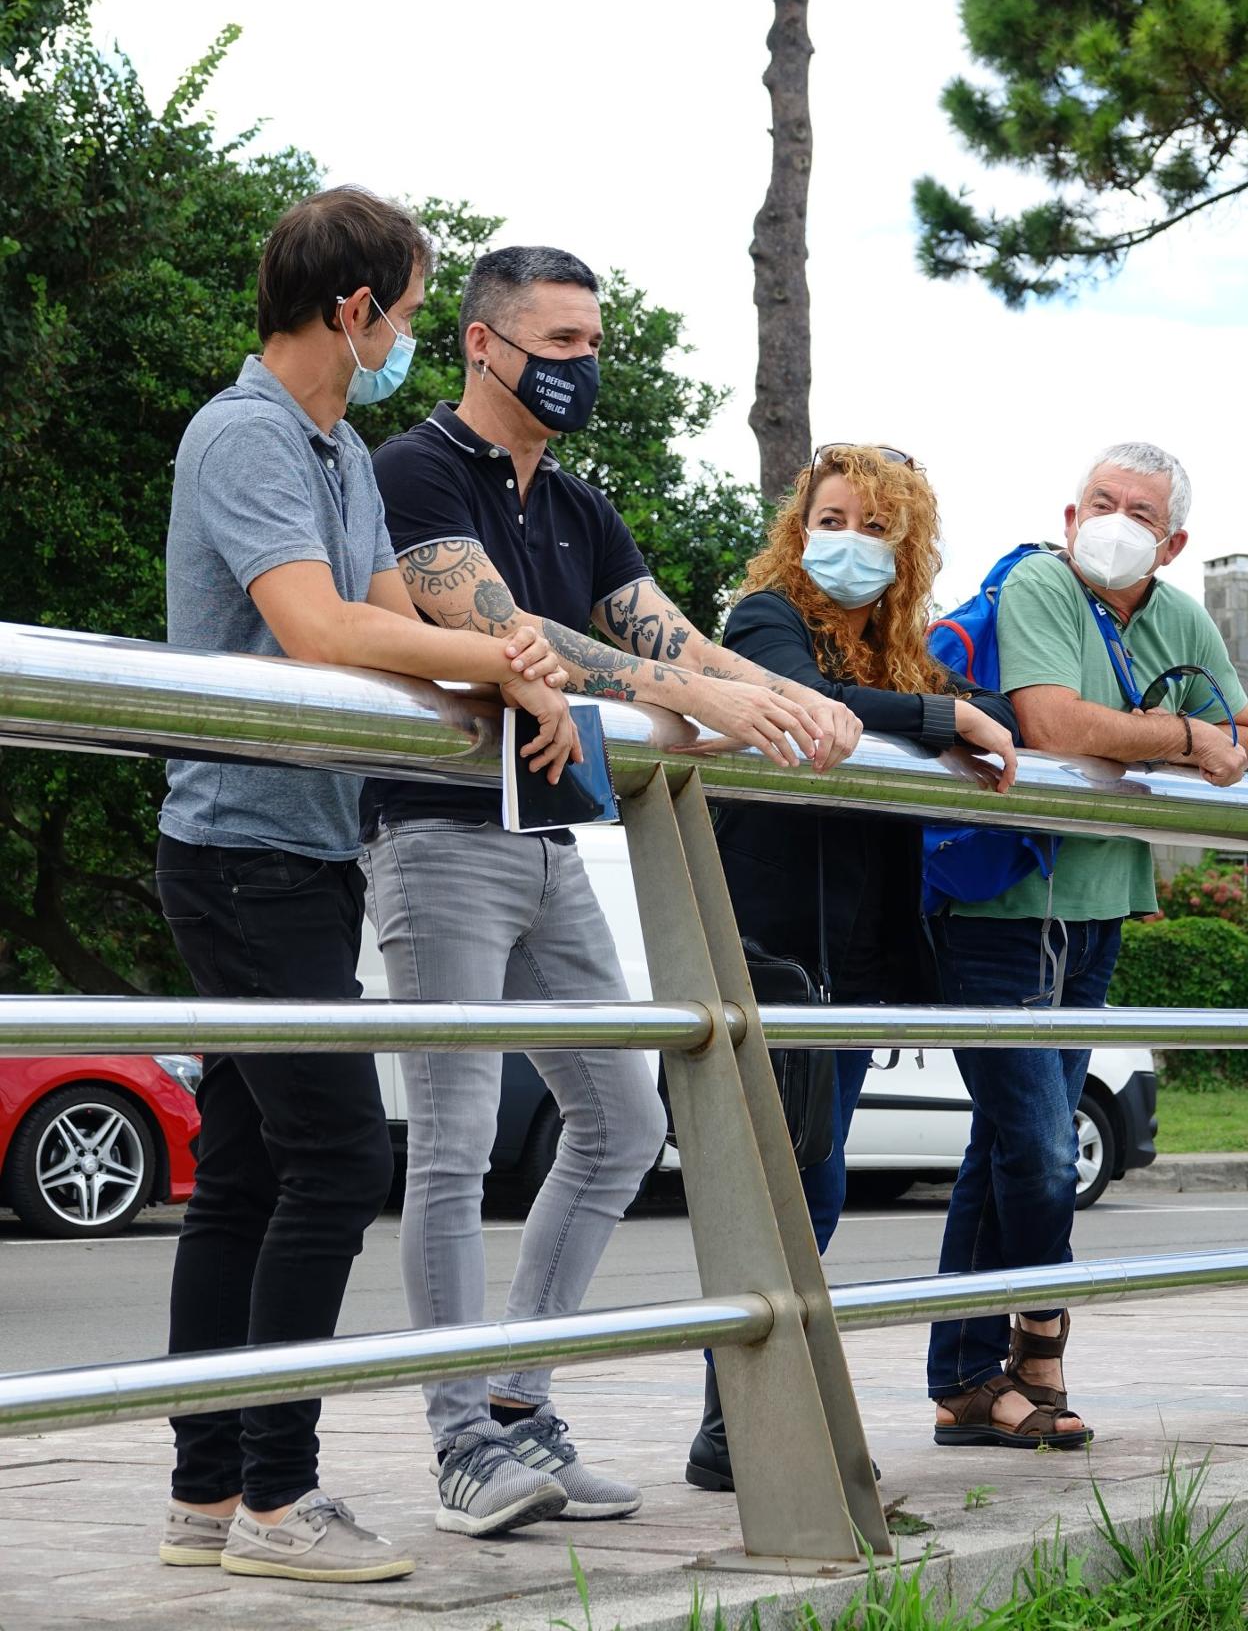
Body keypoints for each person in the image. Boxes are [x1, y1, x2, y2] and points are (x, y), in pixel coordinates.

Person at [361, 245, 864, 1539]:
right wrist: (701, 697)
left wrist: (793, 697)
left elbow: (661, 630)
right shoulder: (413, 472)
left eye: (595, 342)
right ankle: (462, 1440)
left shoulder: (579, 505)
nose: (587, 364)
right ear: (484, 343)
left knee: (623, 1121)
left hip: (550, 837)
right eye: (564, 342)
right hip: (438, 836)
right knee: (459, 1138)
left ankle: (523, 1415)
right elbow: (505, 634)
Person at [155, 190, 576, 1585]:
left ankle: (209, 1495)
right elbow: (318, 627)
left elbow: (396, 606)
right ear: (357, 310)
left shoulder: (333, 448)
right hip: (240, 846)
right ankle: (281, 1501)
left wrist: (513, 659)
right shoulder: (247, 434)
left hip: (304, 846)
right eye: (404, 310)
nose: (405, 337)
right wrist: (505, 665)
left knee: (252, 1168)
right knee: (337, 1153)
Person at [681, 442, 1021, 1491]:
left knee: (810, 1200)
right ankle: (734, 1433)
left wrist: (957, 712)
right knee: (789, 1197)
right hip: (769, 954)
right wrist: (940, 721)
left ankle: (748, 1427)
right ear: (800, 525)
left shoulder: (905, 655)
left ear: (907, 546)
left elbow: (987, 716)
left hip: (856, 967)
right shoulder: (762, 617)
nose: (848, 545)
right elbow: (789, 695)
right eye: (831, 520)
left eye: (876, 528)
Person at [927, 441, 1248, 1450]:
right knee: (1036, 1149)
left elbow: (1236, 736)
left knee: (1002, 1148)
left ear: (1174, 539)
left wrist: (1185, 738)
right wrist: (1180, 738)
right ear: (1069, 518)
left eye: (1138, 510)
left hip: (1100, 907)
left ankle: (965, 1383)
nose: (1112, 520)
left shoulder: (1181, 616)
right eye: (1098, 502)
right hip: (998, 908)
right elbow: (1057, 724)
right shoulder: (1037, 583)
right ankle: (1037, 1343)